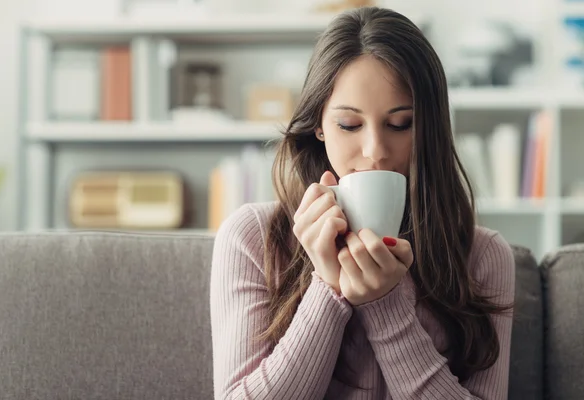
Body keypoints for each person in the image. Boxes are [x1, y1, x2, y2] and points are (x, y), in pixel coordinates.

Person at [210, 6, 515, 400]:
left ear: (429, 129)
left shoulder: (483, 255)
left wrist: (385, 304)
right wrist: (327, 287)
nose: (375, 151)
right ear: (318, 124)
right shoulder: (252, 237)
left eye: (401, 124)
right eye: (349, 125)